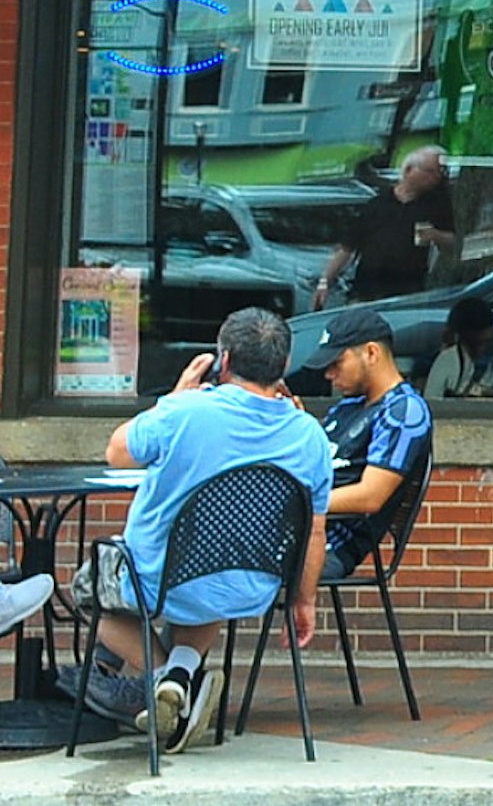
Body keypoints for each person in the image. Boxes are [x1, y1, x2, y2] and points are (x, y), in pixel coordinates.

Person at [86, 306, 334, 752]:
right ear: (282, 368)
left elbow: (116, 452)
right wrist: (304, 599)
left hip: (157, 578)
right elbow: (316, 532)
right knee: (212, 579)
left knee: (90, 594)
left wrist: (175, 396)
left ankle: (168, 680)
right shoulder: (309, 435)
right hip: (248, 585)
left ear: (223, 360)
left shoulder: (185, 411)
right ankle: (182, 675)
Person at [293, 307, 432, 579]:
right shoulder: (349, 406)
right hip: (301, 531)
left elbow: (370, 497)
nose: (328, 374)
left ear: (371, 353)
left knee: (220, 560)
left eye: (336, 362)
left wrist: (299, 503)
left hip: (331, 545)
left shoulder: (403, 411)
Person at [317, 148, 458, 306]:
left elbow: (454, 242)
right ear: (409, 170)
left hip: (406, 291)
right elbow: (347, 247)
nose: (436, 178)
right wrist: (325, 282)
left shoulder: (436, 205)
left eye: (440, 172)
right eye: (430, 171)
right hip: (366, 288)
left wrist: (435, 235)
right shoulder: (378, 204)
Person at [422, 299, 493, 400]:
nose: (481, 351)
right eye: (474, 344)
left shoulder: (491, 365)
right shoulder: (440, 363)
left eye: (485, 343)